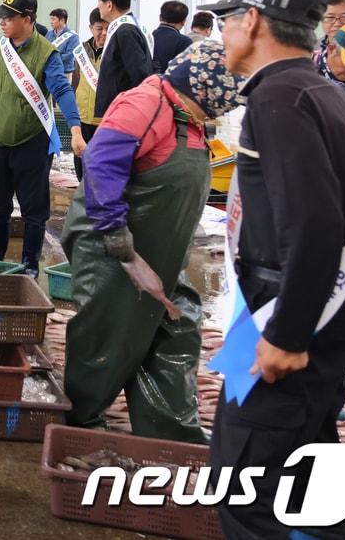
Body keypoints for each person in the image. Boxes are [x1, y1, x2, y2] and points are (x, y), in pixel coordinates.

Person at [199, 0, 345, 539]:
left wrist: (289, 335)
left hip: (289, 313)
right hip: (302, 307)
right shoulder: (327, 93)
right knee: (307, 480)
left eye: (227, 21)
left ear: (251, 22)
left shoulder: (280, 97)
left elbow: (319, 221)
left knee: (246, 487)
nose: (222, 33)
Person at [63, 40, 244, 441]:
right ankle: (78, 425)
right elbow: (100, 165)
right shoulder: (144, 104)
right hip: (111, 248)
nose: (231, 106)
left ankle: (172, 434)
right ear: (205, 88)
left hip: (162, 256)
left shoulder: (190, 118)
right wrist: (124, 253)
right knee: (108, 338)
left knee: (177, 329)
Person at [0, 0, 86, 276]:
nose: (2, 22)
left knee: (33, 209)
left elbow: (61, 89)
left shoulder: (47, 53)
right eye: (1, 16)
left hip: (32, 143)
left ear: (27, 19)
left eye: (8, 17)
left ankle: (29, 265)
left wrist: (75, 128)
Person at [93, 0, 151, 119]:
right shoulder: (129, 27)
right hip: (120, 110)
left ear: (109, 5)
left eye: (99, 0)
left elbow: (139, 74)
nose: (98, 5)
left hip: (124, 113)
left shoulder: (126, 31)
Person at [69, 10, 107, 181]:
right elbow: (75, 81)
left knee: (102, 170)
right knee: (81, 167)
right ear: (91, 28)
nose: (104, 33)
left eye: (108, 28)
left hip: (106, 121)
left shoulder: (116, 50)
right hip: (83, 118)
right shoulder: (81, 50)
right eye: (99, 28)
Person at [149, 0, 190, 74]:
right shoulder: (184, 42)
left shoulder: (148, 37)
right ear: (184, 21)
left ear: (160, 17)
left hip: (147, 83)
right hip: (170, 84)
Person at [47, 8, 79, 76]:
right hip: (50, 71)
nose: (51, 22)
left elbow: (69, 55)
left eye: (53, 19)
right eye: (51, 19)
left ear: (62, 20)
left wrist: (52, 60)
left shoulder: (73, 36)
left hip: (65, 72)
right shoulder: (49, 34)